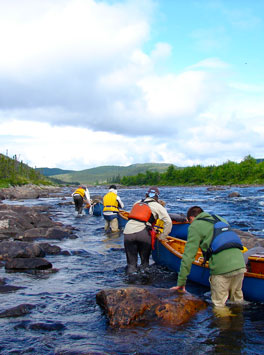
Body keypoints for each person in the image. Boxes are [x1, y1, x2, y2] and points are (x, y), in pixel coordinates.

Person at [171, 206, 246, 308]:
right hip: (240, 264)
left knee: (219, 305)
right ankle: (238, 322)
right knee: (237, 302)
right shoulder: (219, 218)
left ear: (191, 218)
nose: (189, 224)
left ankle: (223, 323)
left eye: (189, 221)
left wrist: (181, 283)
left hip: (221, 268)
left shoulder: (195, 226)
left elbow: (188, 257)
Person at [124, 187, 172, 274]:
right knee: (145, 264)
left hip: (128, 232)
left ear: (146, 195)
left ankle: (129, 284)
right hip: (143, 233)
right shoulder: (157, 206)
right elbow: (168, 222)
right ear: (157, 198)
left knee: (131, 265)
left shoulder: (137, 203)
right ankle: (146, 284)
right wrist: (162, 236)